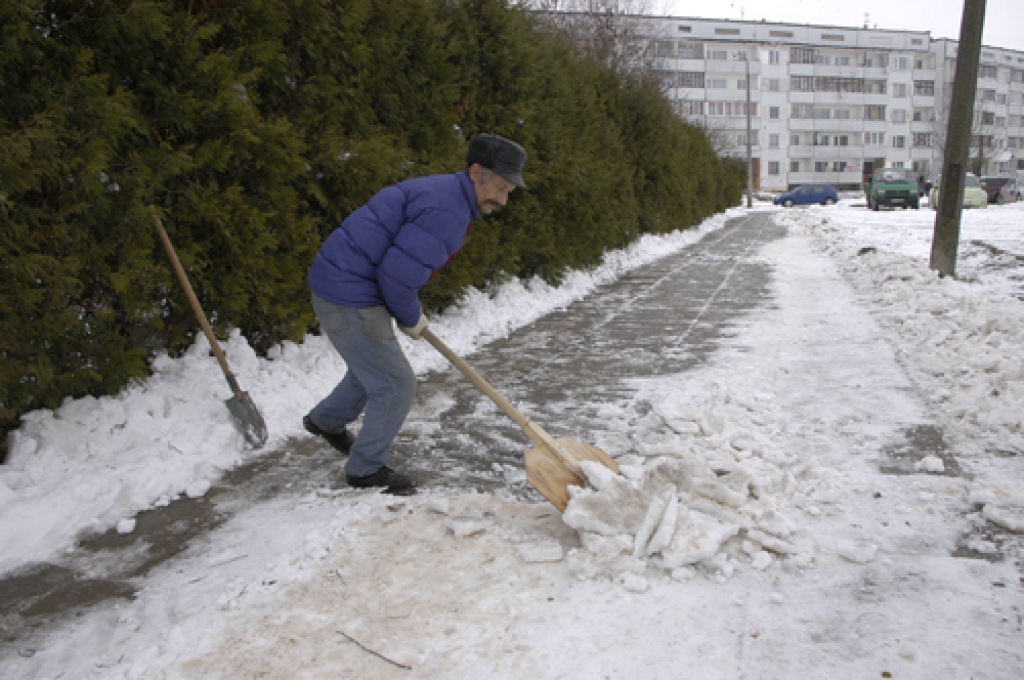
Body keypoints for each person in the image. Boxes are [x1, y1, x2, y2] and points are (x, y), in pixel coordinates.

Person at [303, 134, 527, 493]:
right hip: (349, 293)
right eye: (498, 187)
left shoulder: (447, 193)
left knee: (374, 368)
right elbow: (397, 277)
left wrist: (407, 311)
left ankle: (326, 421)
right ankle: (364, 469)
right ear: (476, 172)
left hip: (345, 282)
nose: (501, 199)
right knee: (395, 384)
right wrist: (410, 316)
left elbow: (396, 269)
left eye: (507, 192)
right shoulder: (448, 211)